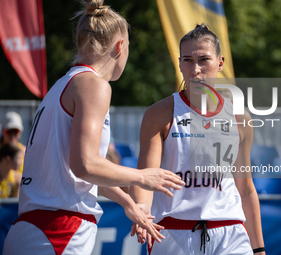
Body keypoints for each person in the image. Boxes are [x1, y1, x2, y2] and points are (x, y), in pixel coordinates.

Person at [3, 1, 184, 254]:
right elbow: (85, 165)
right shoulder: (94, 86)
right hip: (59, 231)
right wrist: (142, 176)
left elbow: (75, 173)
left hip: (31, 228)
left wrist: (127, 201)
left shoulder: (61, 86)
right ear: (120, 46)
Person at [130, 24, 265, 255]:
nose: (195, 69)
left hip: (230, 233)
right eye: (188, 60)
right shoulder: (160, 114)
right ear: (180, 63)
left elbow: (246, 190)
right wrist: (141, 209)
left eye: (204, 59)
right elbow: (145, 177)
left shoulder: (239, 117)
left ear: (220, 63)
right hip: (174, 233)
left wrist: (259, 248)